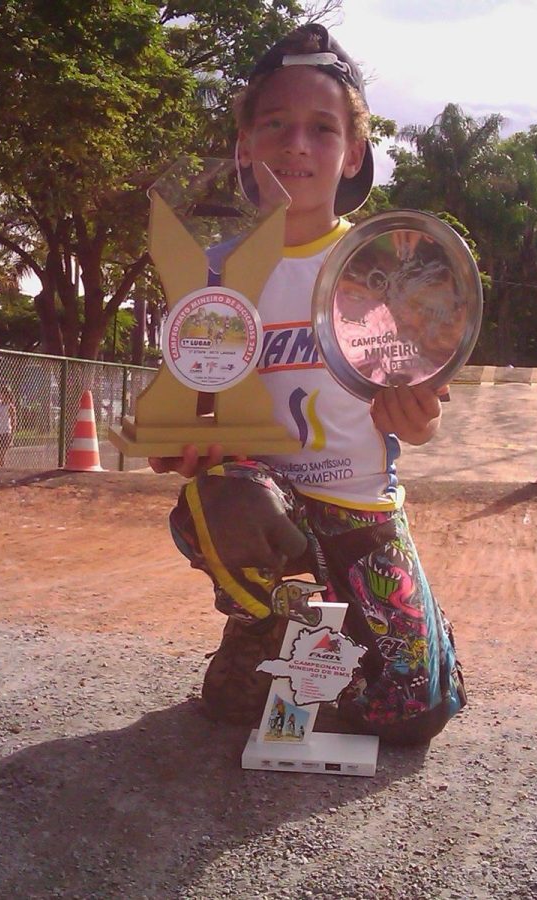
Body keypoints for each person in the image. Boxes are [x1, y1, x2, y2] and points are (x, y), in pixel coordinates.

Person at [150, 24, 466, 746]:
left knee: (414, 712)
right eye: (275, 125)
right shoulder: (215, 278)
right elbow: (189, 409)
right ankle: (260, 627)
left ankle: (363, 650)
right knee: (226, 498)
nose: (297, 144)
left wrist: (415, 419)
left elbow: (420, 423)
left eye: (322, 129)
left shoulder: (384, 268)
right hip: (266, 504)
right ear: (245, 145)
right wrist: (180, 447)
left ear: (352, 151)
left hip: (363, 514)